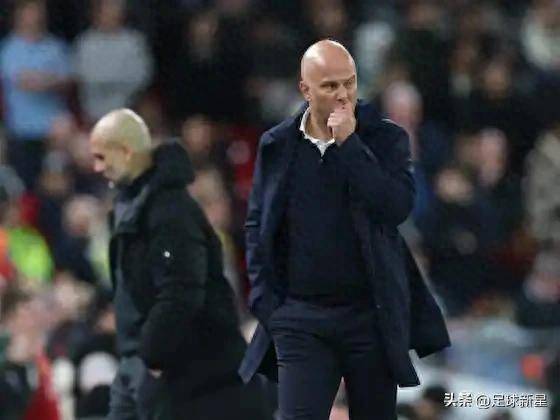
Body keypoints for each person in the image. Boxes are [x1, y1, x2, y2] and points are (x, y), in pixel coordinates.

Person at [239, 40, 451, 419]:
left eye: (349, 83)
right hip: (300, 317)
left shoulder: (385, 138)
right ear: (305, 90)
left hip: (370, 316)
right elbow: (258, 222)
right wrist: (267, 304)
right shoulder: (278, 144)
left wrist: (350, 145)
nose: (343, 94)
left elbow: (395, 208)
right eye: (330, 86)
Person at [89, 109, 272, 419]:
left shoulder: (170, 212)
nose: (97, 167)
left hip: (196, 377)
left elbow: (180, 291)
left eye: (102, 157)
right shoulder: (130, 210)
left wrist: (151, 356)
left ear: (126, 152)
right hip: (162, 368)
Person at [0, 0, 71, 189]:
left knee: (65, 130)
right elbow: (23, 81)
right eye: (30, 12)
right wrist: (49, 79)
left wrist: (42, 80)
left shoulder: (56, 48)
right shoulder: (8, 49)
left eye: (39, 12)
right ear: (19, 16)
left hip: (53, 131)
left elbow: (66, 82)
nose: (36, 16)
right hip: (20, 129)